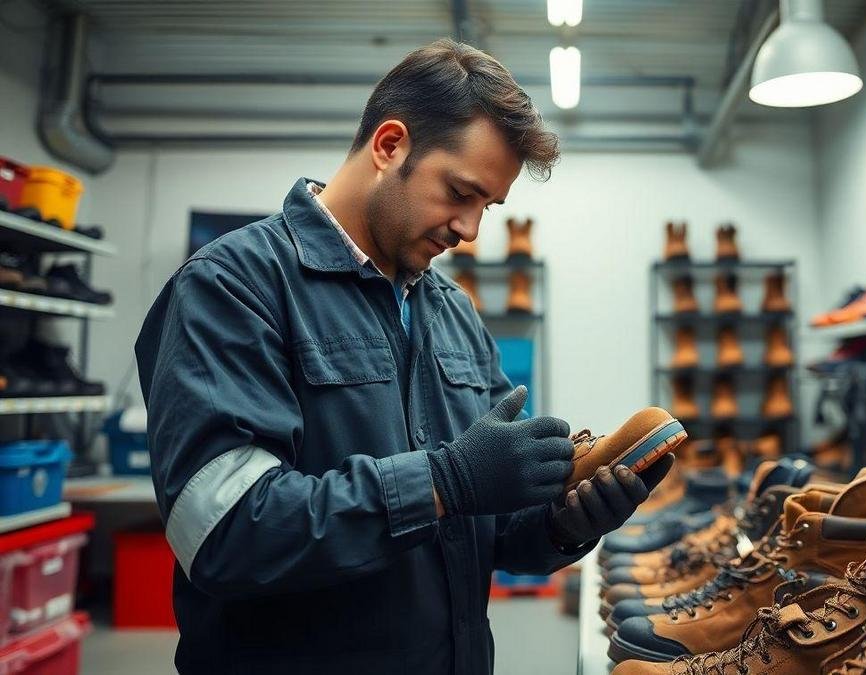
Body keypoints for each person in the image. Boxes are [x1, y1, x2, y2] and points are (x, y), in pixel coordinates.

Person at [134, 39, 672, 674]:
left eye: (487, 208)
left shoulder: (452, 310)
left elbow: (486, 532)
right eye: (460, 193)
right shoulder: (234, 286)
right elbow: (223, 534)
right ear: (390, 146)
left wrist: (564, 522)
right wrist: (443, 481)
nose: (470, 230)